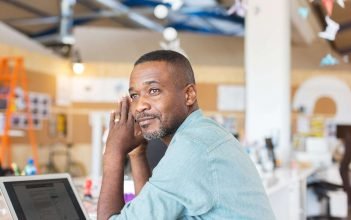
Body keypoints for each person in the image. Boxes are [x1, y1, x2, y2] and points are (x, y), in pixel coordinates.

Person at [97, 50, 275, 219]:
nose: (140, 106)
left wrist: (113, 152)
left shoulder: (192, 147)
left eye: (154, 91)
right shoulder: (203, 132)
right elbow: (151, 211)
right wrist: (137, 153)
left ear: (189, 95)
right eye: (134, 95)